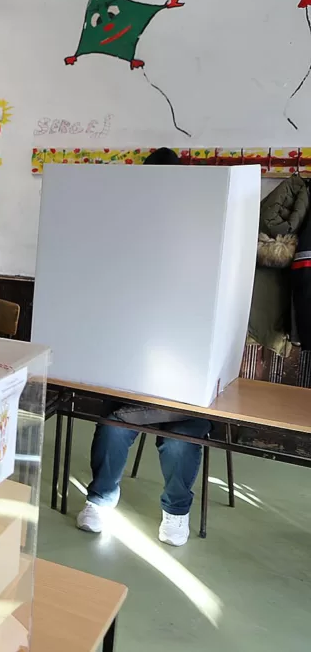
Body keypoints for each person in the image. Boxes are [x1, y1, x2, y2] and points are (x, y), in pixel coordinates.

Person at [76, 147, 209, 547]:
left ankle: (176, 512)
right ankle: (100, 500)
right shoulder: (128, 230)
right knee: (114, 429)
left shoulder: (201, 228)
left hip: (188, 379)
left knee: (181, 440)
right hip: (135, 372)